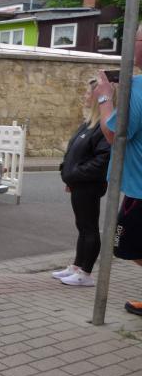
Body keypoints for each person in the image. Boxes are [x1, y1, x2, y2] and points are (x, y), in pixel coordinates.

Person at [95, 22, 142, 315]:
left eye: (134, 40)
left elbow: (115, 134)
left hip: (139, 190)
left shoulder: (137, 88)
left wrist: (104, 98)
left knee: (125, 245)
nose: (130, 46)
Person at [52, 79, 112, 287]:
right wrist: (68, 174)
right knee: (82, 226)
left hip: (89, 185)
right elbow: (74, 153)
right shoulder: (89, 123)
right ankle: (77, 266)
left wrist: (75, 174)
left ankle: (86, 273)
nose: (85, 96)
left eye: (88, 93)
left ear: (97, 97)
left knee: (89, 227)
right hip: (79, 184)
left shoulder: (103, 127)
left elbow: (102, 160)